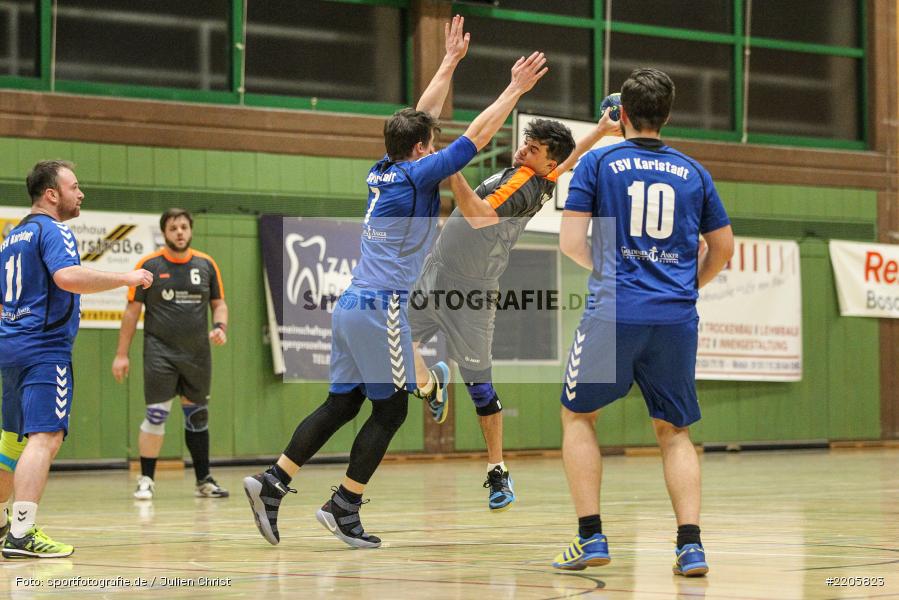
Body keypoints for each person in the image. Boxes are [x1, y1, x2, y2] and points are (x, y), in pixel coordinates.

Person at [243, 15, 548, 548]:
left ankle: (273, 482)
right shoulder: (419, 171)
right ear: (423, 152)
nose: (433, 144)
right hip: (381, 306)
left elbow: (421, 117)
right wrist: (514, 89)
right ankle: (345, 505)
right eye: (431, 144)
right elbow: (477, 134)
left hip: (350, 306)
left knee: (343, 403)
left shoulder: (385, 166)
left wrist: (451, 61)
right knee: (391, 409)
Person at [551, 68, 734, 575]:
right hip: (675, 317)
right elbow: (723, 249)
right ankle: (690, 545)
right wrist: (685, 285)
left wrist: (614, 270)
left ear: (621, 114)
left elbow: (570, 244)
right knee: (674, 431)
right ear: (668, 115)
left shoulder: (598, 162)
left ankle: (591, 538)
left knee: (578, 417)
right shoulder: (695, 173)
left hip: (613, 310)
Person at [409, 115, 620, 511]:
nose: (523, 151)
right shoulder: (542, 172)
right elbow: (567, 161)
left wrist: (452, 170)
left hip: (470, 294)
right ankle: (432, 383)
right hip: (437, 272)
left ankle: (497, 471)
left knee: (479, 387)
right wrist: (600, 132)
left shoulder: (525, 183)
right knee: (397, 338)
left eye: (533, 150)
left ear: (544, 163)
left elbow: (477, 216)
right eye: (526, 144)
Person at [0, 160, 153, 558]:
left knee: (12, 443)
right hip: (44, 348)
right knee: (44, 437)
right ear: (52, 194)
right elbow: (67, 277)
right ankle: (21, 533)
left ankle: (2, 524)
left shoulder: (14, 236)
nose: (81, 193)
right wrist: (126, 278)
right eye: (75, 186)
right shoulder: (55, 231)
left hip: (10, 345)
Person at [112, 208, 229, 500]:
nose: (179, 232)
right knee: (156, 415)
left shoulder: (206, 264)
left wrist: (220, 327)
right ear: (164, 232)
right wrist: (121, 355)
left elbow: (219, 304)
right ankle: (146, 479)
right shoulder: (148, 265)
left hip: (197, 355)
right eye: (173, 227)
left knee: (198, 417)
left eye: (184, 227)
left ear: (190, 230)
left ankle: (204, 480)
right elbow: (131, 313)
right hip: (159, 353)